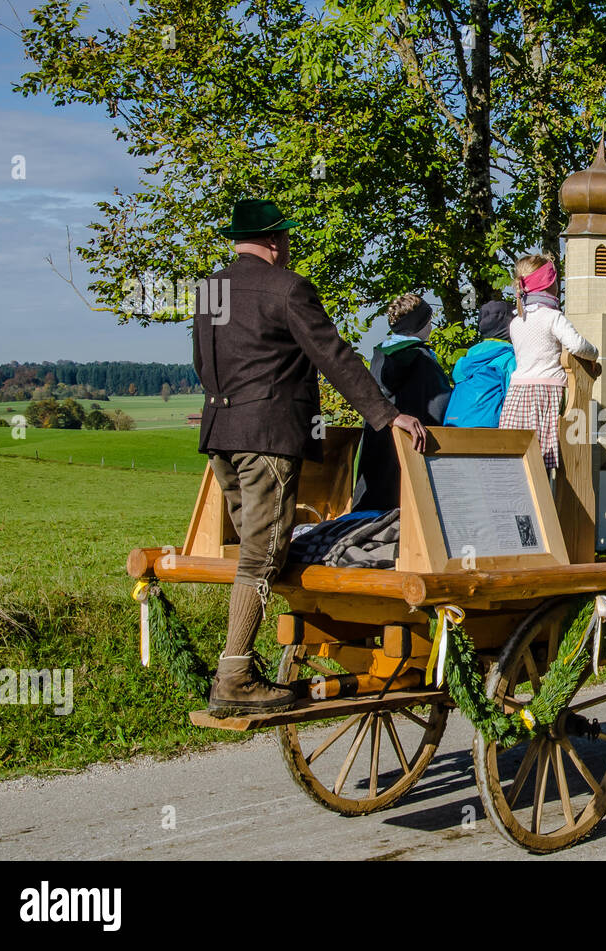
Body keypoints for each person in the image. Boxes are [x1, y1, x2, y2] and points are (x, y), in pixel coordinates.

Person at [193, 198, 426, 717]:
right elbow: (335, 356)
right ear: (275, 241)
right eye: (288, 238)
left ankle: (263, 651)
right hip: (268, 439)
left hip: (220, 435)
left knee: (256, 548)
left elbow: (203, 364)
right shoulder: (288, 287)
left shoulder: (211, 290)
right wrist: (388, 416)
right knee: (261, 556)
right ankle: (234, 675)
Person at [351, 293, 453, 510]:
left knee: (374, 510)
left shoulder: (379, 356)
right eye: (429, 321)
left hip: (377, 444)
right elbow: (440, 407)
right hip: (412, 448)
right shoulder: (422, 359)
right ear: (422, 324)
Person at [498, 255, 598, 472]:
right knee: (543, 455)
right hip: (545, 391)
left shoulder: (517, 321)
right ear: (550, 284)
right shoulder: (552, 317)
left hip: (517, 392)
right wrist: (595, 353)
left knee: (518, 456)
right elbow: (577, 345)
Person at [443, 300, 516, 428]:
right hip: (486, 426)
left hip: (454, 423)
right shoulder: (509, 357)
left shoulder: (468, 357)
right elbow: (515, 396)